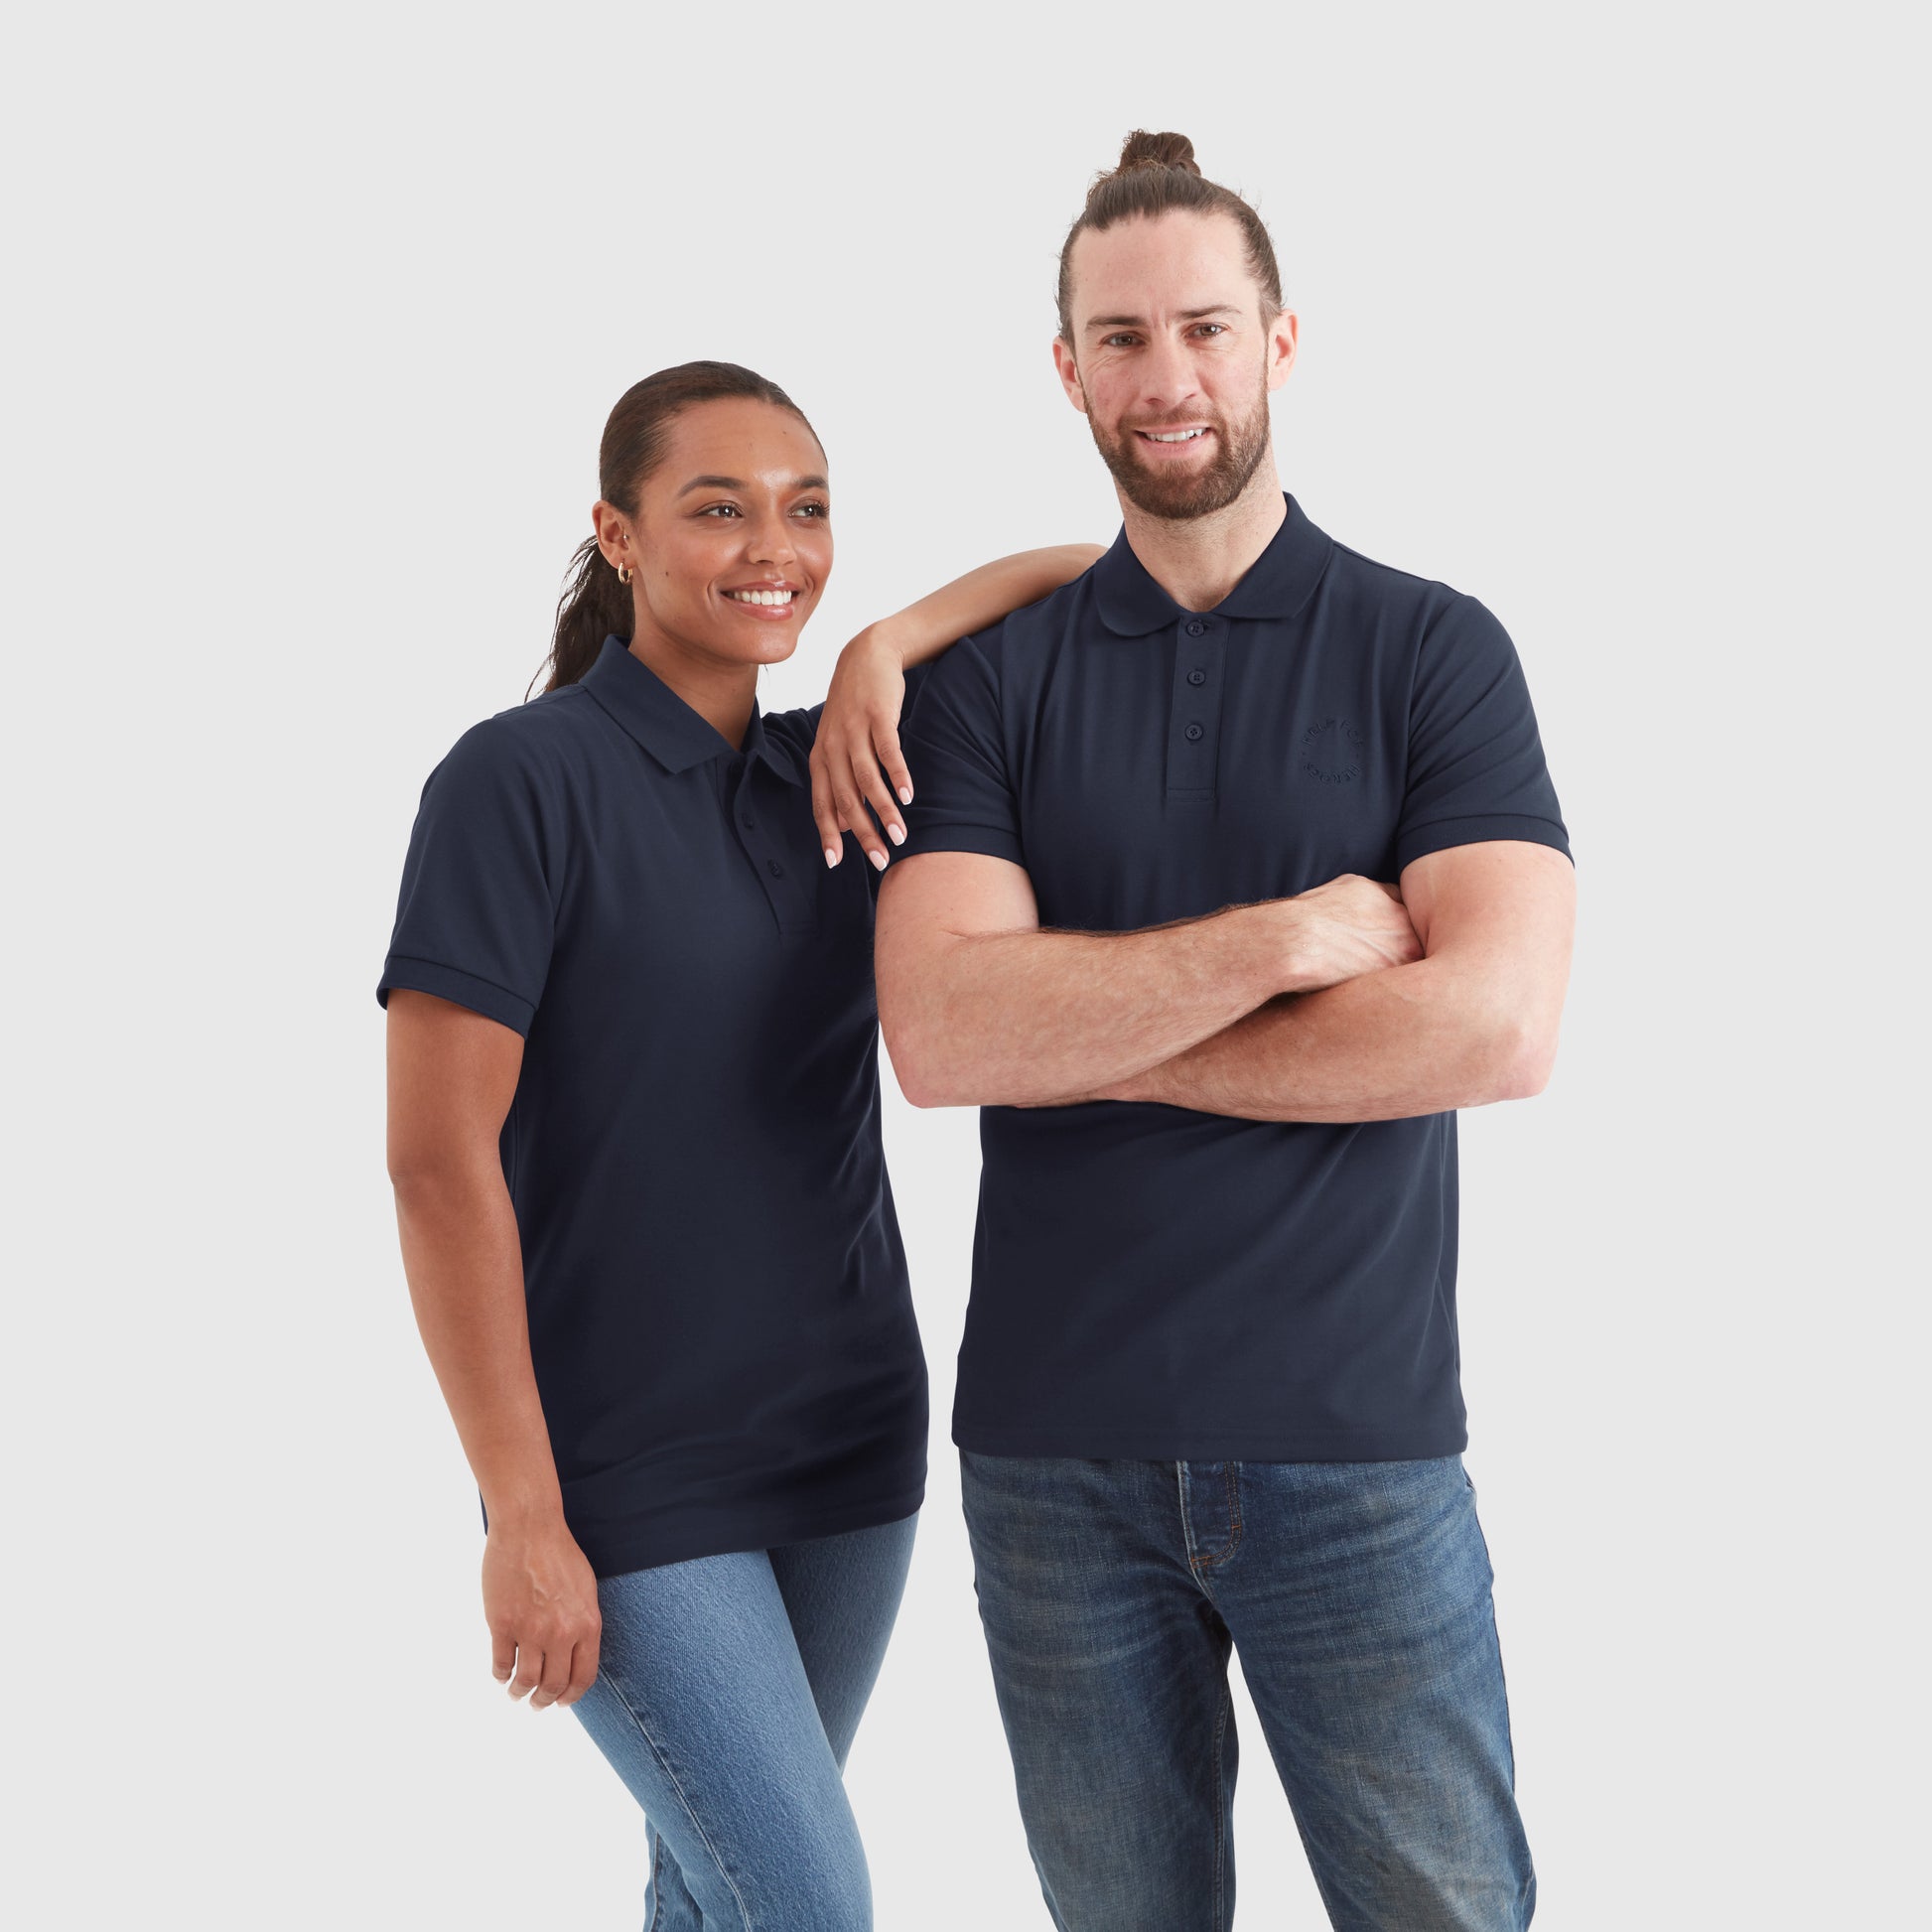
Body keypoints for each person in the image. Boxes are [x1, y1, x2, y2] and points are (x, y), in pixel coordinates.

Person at [874, 133, 1576, 1931]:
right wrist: (1282, 943)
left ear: (1279, 340)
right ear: (1065, 370)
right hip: (1049, 1453)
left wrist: (1084, 1027)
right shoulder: (985, 684)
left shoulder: (1432, 650)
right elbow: (941, 1027)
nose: (1163, 376)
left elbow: (1491, 1027)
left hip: (1350, 1437)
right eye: (1118, 338)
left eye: (1201, 326)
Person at [379, 359, 1099, 1932]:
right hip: (621, 1468)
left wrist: (880, 643)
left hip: (845, 1441)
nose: (770, 542)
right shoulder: (518, 783)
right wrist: (519, 1509)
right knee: (807, 1900)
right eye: (717, 507)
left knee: (712, 1891)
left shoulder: (837, 777)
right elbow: (437, 1166)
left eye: (807, 509)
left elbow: (1102, 569)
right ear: (617, 536)